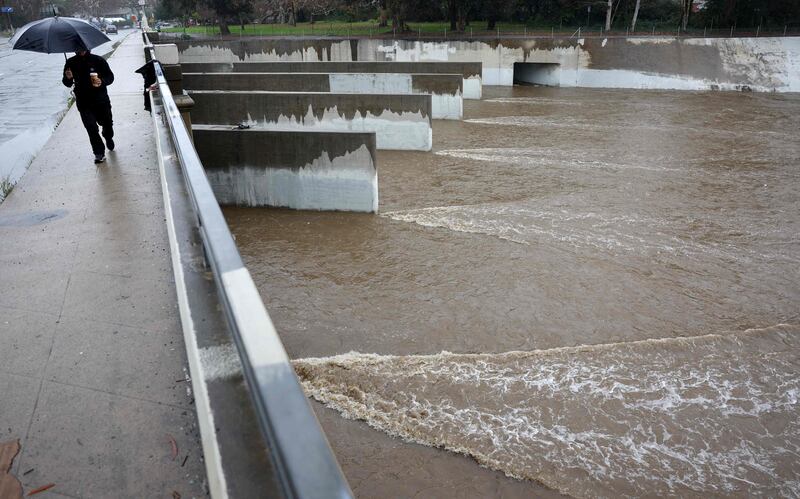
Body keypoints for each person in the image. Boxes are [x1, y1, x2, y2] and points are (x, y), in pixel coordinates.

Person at [62, 47, 115, 164]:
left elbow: (110, 77)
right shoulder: (70, 62)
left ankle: (108, 136)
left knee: (107, 123)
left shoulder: (98, 60)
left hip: (101, 100)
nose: (80, 50)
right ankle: (99, 153)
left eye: (83, 47)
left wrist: (102, 81)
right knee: (91, 128)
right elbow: (67, 83)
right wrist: (68, 77)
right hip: (83, 102)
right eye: (77, 47)